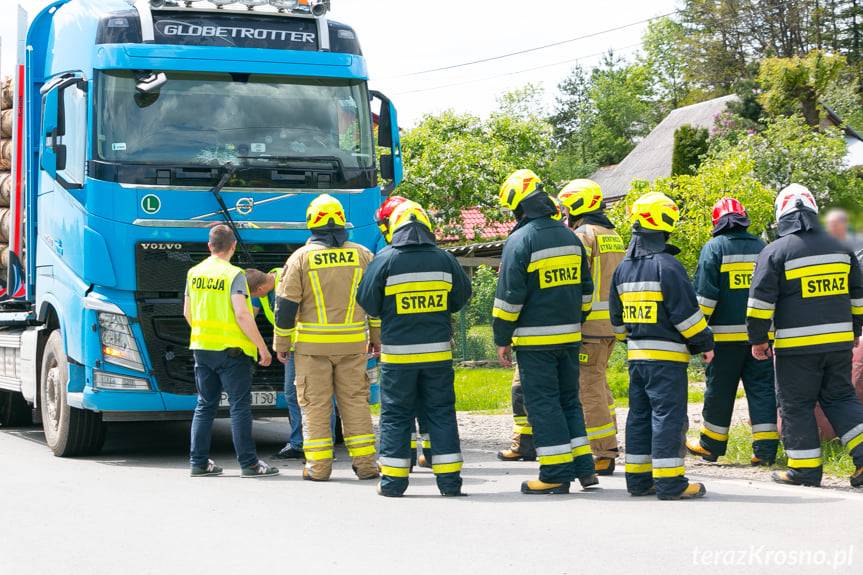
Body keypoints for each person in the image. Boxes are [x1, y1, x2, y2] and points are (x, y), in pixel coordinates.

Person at [747, 184, 863, 488]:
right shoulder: (841, 247)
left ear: (781, 215)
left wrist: (758, 339)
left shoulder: (775, 251)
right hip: (838, 343)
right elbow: (858, 295)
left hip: (797, 349)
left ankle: (805, 469)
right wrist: (855, 331)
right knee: (841, 398)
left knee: (795, 404)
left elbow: (760, 302)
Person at [492, 169, 596, 495]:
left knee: (543, 405)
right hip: (569, 338)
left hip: (536, 343)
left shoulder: (520, 241)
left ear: (517, 208)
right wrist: (574, 320)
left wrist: (501, 337)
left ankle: (554, 473)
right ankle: (584, 468)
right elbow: (587, 292)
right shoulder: (569, 237)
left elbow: (509, 297)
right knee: (569, 402)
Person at [358, 200, 472, 497]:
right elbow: (460, 298)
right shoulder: (445, 259)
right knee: (441, 414)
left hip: (398, 356)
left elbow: (367, 303)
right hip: (437, 355)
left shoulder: (384, 260)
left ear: (394, 228)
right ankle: (449, 484)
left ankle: (394, 484)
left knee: (396, 415)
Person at [610, 192, 714, 500]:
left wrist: (630, 341)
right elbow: (687, 316)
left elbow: (616, 320)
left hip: (636, 359)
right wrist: (704, 343)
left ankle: (639, 481)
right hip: (667, 361)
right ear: (665, 223)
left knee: (640, 416)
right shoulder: (668, 266)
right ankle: (671, 483)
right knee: (668, 417)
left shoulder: (622, 269)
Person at [272, 194, 380, 482]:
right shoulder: (362, 255)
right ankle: (367, 465)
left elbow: (285, 308)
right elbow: (375, 302)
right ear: (343, 221)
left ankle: (319, 468)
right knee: (355, 403)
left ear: (311, 223)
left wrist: (281, 345)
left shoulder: (300, 259)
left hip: (311, 349)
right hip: (354, 346)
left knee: (316, 406)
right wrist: (377, 337)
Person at [685, 198, 779, 466]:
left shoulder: (714, 248)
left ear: (717, 223)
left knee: (720, 391)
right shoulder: (762, 248)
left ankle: (710, 446)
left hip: (723, 342)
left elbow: (704, 298)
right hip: (759, 339)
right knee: (762, 391)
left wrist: (698, 338)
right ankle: (765, 451)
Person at [184, 224, 279, 478]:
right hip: (233, 352)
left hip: (202, 348)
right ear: (233, 246)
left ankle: (199, 462)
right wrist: (262, 347)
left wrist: (206, 333)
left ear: (209, 246)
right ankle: (249, 464)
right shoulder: (234, 274)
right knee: (239, 407)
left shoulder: (194, 273)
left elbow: (187, 313)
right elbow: (242, 314)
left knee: (205, 405)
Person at [559, 179, 625, 476]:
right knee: (599, 384)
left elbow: (578, 281)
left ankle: (602, 452)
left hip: (589, 326)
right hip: (610, 325)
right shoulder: (613, 234)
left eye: (566, 207)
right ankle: (606, 441)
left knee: (588, 389)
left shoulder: (584, 236)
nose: (563, 214)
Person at [374, 195, 432, 469]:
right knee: (432, 406)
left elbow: (369, 301)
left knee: (399, 408)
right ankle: (432, 456)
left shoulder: (386, 258)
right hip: (435, 346)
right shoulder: (438, 256)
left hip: (398, 348)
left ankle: (403, 460)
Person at [246, 268, 305, 461]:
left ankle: (309, 444)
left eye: (255, 294)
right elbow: (248, 316)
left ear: (261, 288)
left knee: (314, 394)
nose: (254, 298)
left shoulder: (289, 279)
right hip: (292, 346)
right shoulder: (261, 287)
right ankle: (301, 443)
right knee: (294, 393)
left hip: (307, 343)